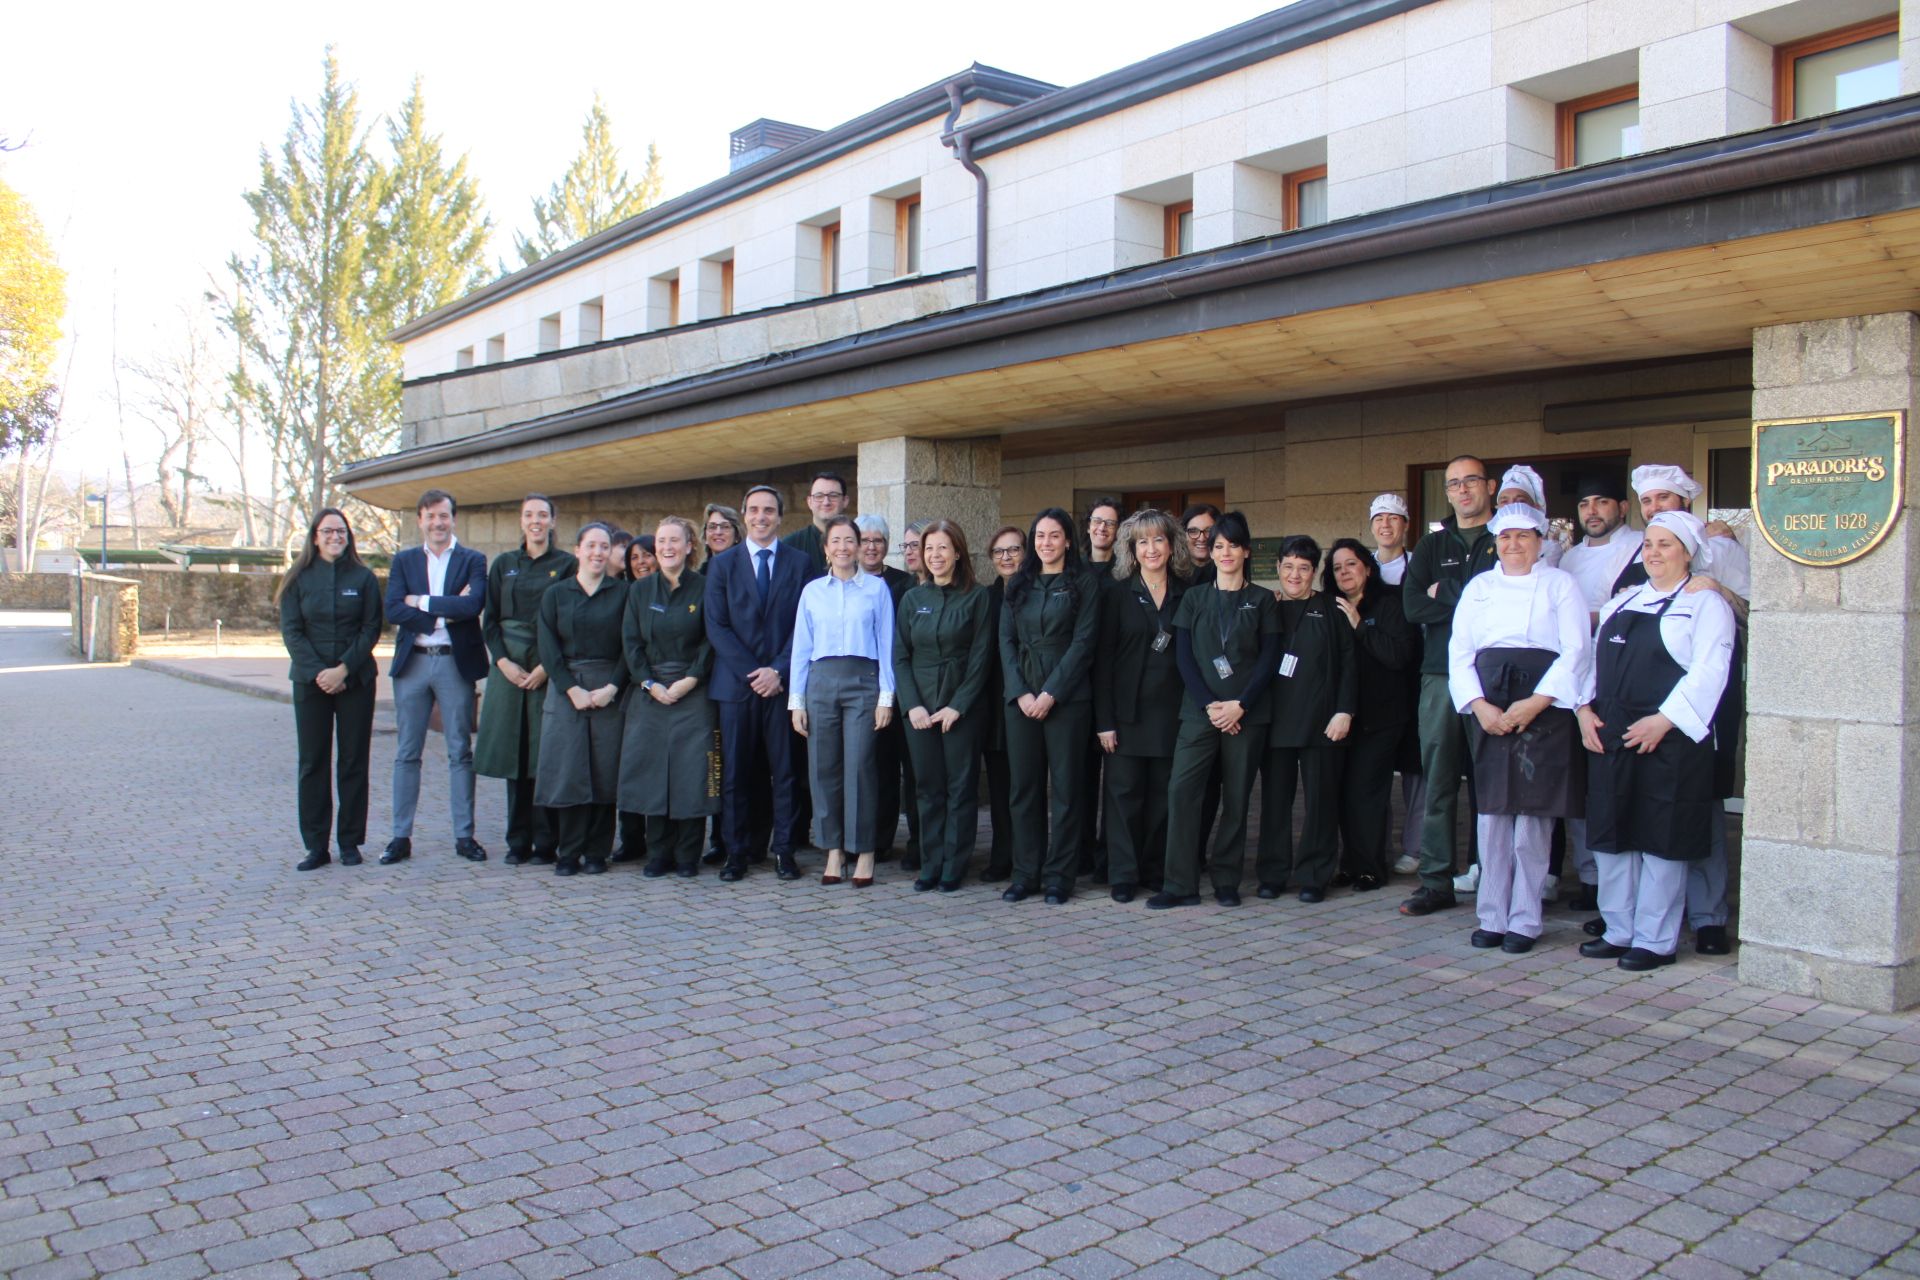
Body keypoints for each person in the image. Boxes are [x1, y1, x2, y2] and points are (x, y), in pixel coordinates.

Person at [1578, 511, 1736, 971]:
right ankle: (1618, 929)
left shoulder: (1706, 604)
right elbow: (1589, 665)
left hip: (1671, 741)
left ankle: (1655, 939)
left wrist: (1663, 721)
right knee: (1613, 836)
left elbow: (1711, 672)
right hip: (1611, 734)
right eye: (1649, 544)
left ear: (1688, 553)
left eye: (1666, 544)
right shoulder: (1621, 604)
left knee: (1661, 840)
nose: (1653, 553)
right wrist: (1583, 711)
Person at [1448, 504, 1592, 952]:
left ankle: (1526, 919)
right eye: (1506, 537)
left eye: (1523, 537)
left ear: (1539, 541)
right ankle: (1491, 914)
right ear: (1496, 542)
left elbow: (1576, 650)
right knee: (1491, 814)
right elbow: (1459, 651)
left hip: (1544, 707)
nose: (1514, 545)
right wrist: (1479, 706)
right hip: (1489, 702)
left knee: (1533, 816)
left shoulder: (1561, 585)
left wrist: (1536, 702)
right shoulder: (1480, 588)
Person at [1617, 462, 1748, 956]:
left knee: (1702, 800)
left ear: (1685, 502)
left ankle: (1709, 914)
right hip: (1643, 696)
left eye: (1664, 500)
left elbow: (1754, 610)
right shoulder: (1641, 551)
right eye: (1648, 502)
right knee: (1653, 805)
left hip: (1705, 696)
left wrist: (1716, 589)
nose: (1656, 510)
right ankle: (1643, 915)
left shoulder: (1721, 547)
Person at [1150, 512, 1282, 909]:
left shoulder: (1262, 600)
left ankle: (1226, 880)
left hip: (1247, 714)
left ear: (1246, 551)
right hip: (1199, 712)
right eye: (1218, 546)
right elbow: (1184, 657)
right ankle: (1179, 883)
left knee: (1238, 798)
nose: (1224, 552)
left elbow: (1269, 658)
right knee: (1182, 790)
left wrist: (1240, 705)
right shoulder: (1194, 598)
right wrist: (1210, 704)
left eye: (1232, 546)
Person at [1400, 456, 1499, 916]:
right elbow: (1414, 607)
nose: (1462, 491)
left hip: (1495, 677)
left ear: (1490, 486)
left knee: (1495, 783)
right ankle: (1435, 881)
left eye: (1471, 481)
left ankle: (1496, 878)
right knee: (1438, 780)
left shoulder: (1508, 540)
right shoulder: (1430, 545)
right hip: (1441, 674)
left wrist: (1450, 593)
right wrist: (1474, 597)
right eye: (1454, 484)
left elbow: (1507, 606)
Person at [706, 484, 810, 881]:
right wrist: (755, 673)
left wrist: (777, 671)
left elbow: (804, 626)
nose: (761, 516)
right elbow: (717, 626)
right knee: (734, 774)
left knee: (784, 774)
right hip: (735, 688)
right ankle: (737, 852)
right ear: (744, 514)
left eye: (769, 510)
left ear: (780, 517)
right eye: (754, 510)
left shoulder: (800, 563)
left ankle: (784, 850)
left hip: (782, 687)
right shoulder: (723, 564)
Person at [383, 489, 490, 865]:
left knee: (460, 751)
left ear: (453, 519)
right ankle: (400, 837)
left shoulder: (474, 560)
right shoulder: (404, 560)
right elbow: (394, 608)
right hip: (412, 663)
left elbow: (472, 605)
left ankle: (464, 836)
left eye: (443, 516)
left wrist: (422, 601)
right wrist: (445, 610)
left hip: (453, 663)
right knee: (406, 752)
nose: (437, 523)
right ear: (420, 521)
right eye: (430, 517)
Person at [999, 507, 1101, 904]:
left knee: (1067, 790)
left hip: (1067, 700)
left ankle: (1060, 876)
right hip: (1021, 699)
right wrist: (1022, 692)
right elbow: (1005, 643)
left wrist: (1050, 693)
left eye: (1054, 535)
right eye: (1039, 536)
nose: (1046, 543)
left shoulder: (1085, 584)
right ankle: (1026, 873)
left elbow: (1084, 643)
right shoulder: (1016, 586)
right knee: (1023, 790)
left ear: (1069, 541)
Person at [791, 515, 896, 887]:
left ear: (859, 545)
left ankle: (864, 850)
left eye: (849, 540)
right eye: (835, 541)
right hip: (820, 683)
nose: (843, 547)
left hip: (863, 682)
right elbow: (801, 649)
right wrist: (796, 701)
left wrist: (886, 697)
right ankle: (833, 849)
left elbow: (886, 644)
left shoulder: (876, 589)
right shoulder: (812, 591)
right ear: (826, 548)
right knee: (824, 769)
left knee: (861, 766)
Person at [1093, 509, 1192, 901]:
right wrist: (1105, 721)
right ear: (1131, 550)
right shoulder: (1115, 594)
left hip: (1172, 712)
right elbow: (1101, 662)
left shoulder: (1188, 592)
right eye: (1143, 542)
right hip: (1125, 713)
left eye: (1158, 540)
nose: (1151, 549)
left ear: (1171, 546)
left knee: (1161, 797)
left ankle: (1153, 868)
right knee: (1122, 796)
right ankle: (1122, 874)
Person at [1556, 472, 1644, 911]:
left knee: (1617, 786)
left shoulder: (1641, 547)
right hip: (1576, 684)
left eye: (1602, 502)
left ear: (1622, 508)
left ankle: (1627, 890)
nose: (1592, 511)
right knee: (1581, 785)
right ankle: (1591, 878)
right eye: (1585, 503)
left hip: (1624, 679)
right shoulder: (1568, 560)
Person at [278, 508, 384, 871]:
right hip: (311, 683)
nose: (335, 537)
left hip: (355, 680)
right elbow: (292, 631)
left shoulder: (364, 578)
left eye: (341, 531)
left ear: (348, 536)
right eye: (328, 531)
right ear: (315, 536)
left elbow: (371, 629)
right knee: (313, 763)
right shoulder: (298, 580)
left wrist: (342, 669)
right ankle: (315, 846)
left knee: (353, 762)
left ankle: (350, 841)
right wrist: (320, 673)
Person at [475, 494, 576, 868]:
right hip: (509, 673)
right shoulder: (504, 565)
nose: (536, 521)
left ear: (553, 520)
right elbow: (491, 623)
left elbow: (567, 622)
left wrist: (546, 668)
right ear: (521, 521)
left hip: (545, 671)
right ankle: (517, 841)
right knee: (514, 758)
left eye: (543, 515)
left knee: (543, 755)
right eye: (529, 515)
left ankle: (547, 842)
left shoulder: (566, 565)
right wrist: (502, 662)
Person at [895, 520, 994, 892]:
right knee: (927, 788)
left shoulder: (977, 597)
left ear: (957, 553)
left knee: (960, 787)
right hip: (919, 710)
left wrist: (958, 706)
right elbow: (900, 656)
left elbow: (982, 658)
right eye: (929, 549)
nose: (935, 556)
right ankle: (930, 863)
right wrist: (912, 707)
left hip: (961, 710)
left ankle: (954, 865)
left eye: (942, 548)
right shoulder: (911, 599)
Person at [620, 517, 720, 880]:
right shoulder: (639, 591)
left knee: (692, 774)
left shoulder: (706, 588)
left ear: (689, 545)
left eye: (674, 540)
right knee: (652, 773)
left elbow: (712, 640)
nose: (666, 547)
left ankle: (688, 854)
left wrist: (690, 679)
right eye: (661, 540)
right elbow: (631, 644)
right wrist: (648, 682)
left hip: (693, 691)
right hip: (650, 692)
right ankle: (658, 853)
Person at [1258, 536, 1356, 902]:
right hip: (1275, 722)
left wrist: (1344, 710)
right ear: (1278, 568)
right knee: (1274, 803)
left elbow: (1349, 664)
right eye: (1288, 567)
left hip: (1323, 723)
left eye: (1303, 568)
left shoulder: (1333, 608)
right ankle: (1272, 873)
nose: (1295, 575)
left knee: (1320, 802)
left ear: (1314, 572)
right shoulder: (1265, 605)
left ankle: (1314, 876)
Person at [534, 522, 629, 875]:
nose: (597, 553)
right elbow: (547, 646)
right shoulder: (556, 595)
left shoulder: (622, 593)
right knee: (569, 772)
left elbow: (629, 646)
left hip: (607, 691)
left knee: (604, 773)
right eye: (590, 546)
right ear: (577, 550)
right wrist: (570, 688)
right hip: (566, 689)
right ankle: (569, 852)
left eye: (604, 547)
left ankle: (596, 853)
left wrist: (613, 687)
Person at [1325, 538, 1417, 892]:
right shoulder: (1329, 606)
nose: (1344, 572)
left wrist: (1361, 625)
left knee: (1367, 792)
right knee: (1344, 791)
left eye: (1351, 563)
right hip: (1339, 717)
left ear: (1367, 566)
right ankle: (1349, 864)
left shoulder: (1390, 603)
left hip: (1381, 716)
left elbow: (1398, 656)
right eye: (1337, 567)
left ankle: (1371, 868)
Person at [859, 513, 920, 868]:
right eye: (864, 540)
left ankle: (917, 842)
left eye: (878, 541)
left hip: (907, 690)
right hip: (868, 691)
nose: (871, 546)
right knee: (878, 770)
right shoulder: (844, 583)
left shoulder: (904, 583)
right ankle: (879, 841)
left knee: (912, 771)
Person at [1080, 496, 1122, 878]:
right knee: (1078, 778)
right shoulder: (1074, 570)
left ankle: (1109, 856)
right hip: (1077, 686)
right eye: (1097, 521)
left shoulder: (1125, 574)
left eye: (1110, 523)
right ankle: (1080, 854)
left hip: (1113, 686)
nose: (1102, 528)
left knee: (1115, 781)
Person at [979, 525, 1025, 881]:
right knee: (999, 786)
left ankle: (1028, 855)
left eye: (1014, 550)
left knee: (1026, 787)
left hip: (1030, 700)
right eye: (999, 552)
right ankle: (1002, 856)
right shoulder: (985, 598)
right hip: (993, 704)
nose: (1007, 557)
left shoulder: (1037, 592)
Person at [1495, 464, 1567, 566]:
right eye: (1504, 501)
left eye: (1520, 501)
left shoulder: (1550, 549)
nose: (1512, 506)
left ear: (1535, 508)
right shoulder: (1487, 545)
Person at [783, 471, 847, 578]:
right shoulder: (789, 546)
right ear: (809, 502)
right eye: (819, 496)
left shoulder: (857, 543)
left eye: (833, 495)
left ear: (845, 501)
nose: (826, 502)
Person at [1369, 493, 1413, 586]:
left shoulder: (1418, 564)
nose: (1385, 524)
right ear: (1372, 528)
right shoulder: (1362, 564)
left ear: (1406, 525)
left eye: (1393, 518)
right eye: (1379, 519)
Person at [1182, 503, 1221, 585]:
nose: (1201, 538)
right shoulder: (1170, 576)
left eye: (1209, 531)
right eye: (1193, 531)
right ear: (1183, 535)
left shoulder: (1228, 574)